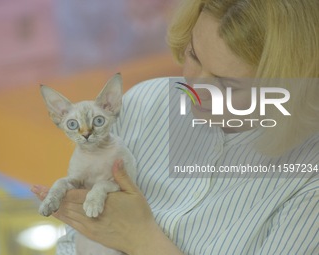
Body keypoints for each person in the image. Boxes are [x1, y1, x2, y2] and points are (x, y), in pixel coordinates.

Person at [32, 0, 319, 254]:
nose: (195, 87)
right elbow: (74, 241)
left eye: (227, 83)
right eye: (194, 55)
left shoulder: (309, 183)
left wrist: (143, 240)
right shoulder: (145, 104)